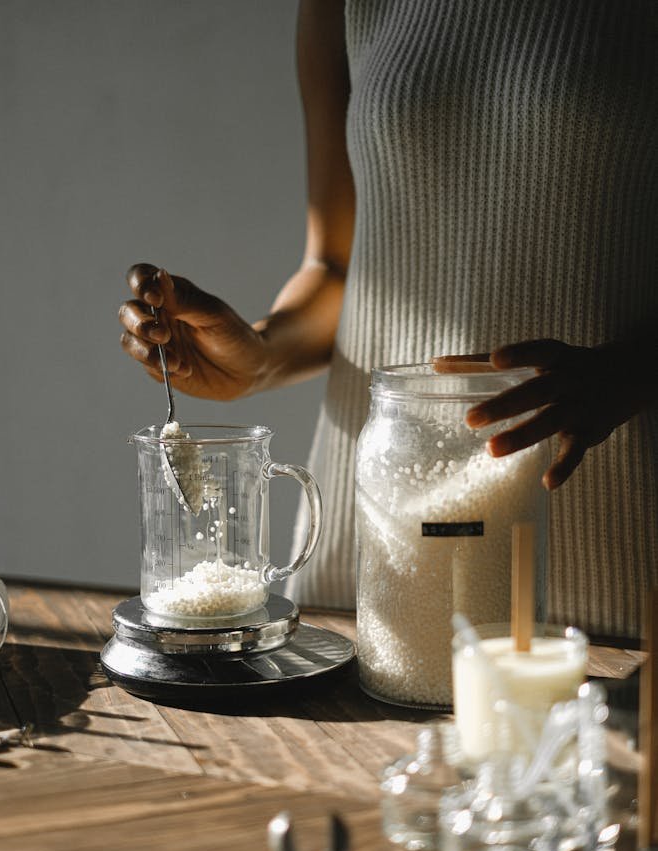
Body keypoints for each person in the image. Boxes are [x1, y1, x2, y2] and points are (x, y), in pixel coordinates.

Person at [119, 0, 657, 642]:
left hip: (608, 520)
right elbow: (338, 265)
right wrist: (260, 354)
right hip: (378, 523)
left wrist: (634, 369)